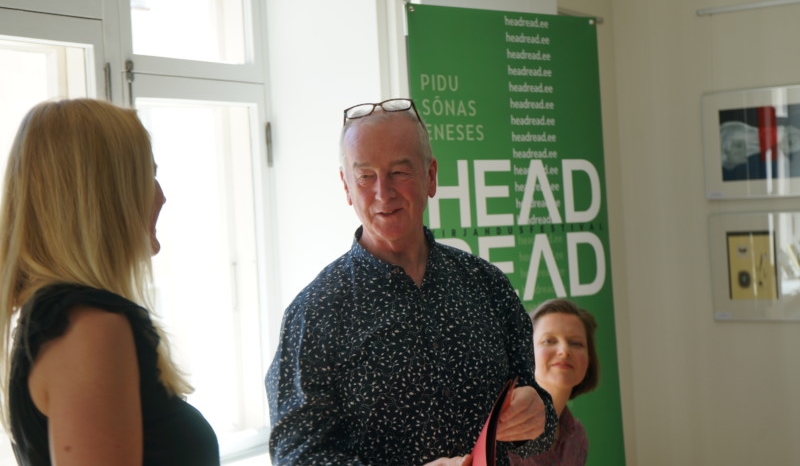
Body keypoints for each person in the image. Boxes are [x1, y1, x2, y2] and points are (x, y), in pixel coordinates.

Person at [266, 98, 558, 466]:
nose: (383, 193)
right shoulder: (314, 314)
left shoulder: (487, 285)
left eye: (400, 172)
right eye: (365, 176)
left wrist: (537, 415)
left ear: (431, 176)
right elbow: (297, 457)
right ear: (346, 186)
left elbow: (537, 420)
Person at [0, 98, 220, 465]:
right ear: (106, 195)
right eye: (146, 175)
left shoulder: (61, 321)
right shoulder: (88, 329)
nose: (161, 195)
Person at [509, 299, 600, 466]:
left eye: (576, 343)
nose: (564, 351)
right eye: (549, 341)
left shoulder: (578, 437)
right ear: (526, 353)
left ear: (589, 359)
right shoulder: (504, 428)